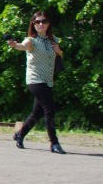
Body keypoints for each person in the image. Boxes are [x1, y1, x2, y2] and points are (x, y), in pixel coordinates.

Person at [7, 11, 66, 154]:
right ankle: (54, 143)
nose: (41, 24)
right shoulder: (31, 40)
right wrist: (14, 45)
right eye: (37, 22)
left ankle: (20, 134)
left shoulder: (54, 40)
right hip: (35, 80)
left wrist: (60, 52)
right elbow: (22, 46)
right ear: (33, 24)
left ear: (48, 24)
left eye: (44, 21)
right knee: (49, 110)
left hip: (48, 81)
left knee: (37, 113)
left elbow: (60, 55)